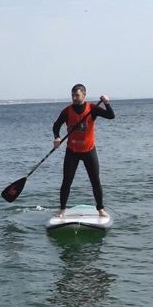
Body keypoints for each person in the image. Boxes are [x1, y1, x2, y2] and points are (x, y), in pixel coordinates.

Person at [53, 84, 115, 217]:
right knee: (67, 181)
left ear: (84, 95)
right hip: (72, 151)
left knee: (95, 180)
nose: (74, 98)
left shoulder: (92, 108)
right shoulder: (67, 111)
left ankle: (100, 209)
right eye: (72, 95)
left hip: (89, 151)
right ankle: (62, 209)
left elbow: (111, 116)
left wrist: (107, 103)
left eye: (77, 95)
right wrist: (57, 137)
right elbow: (56, 125)